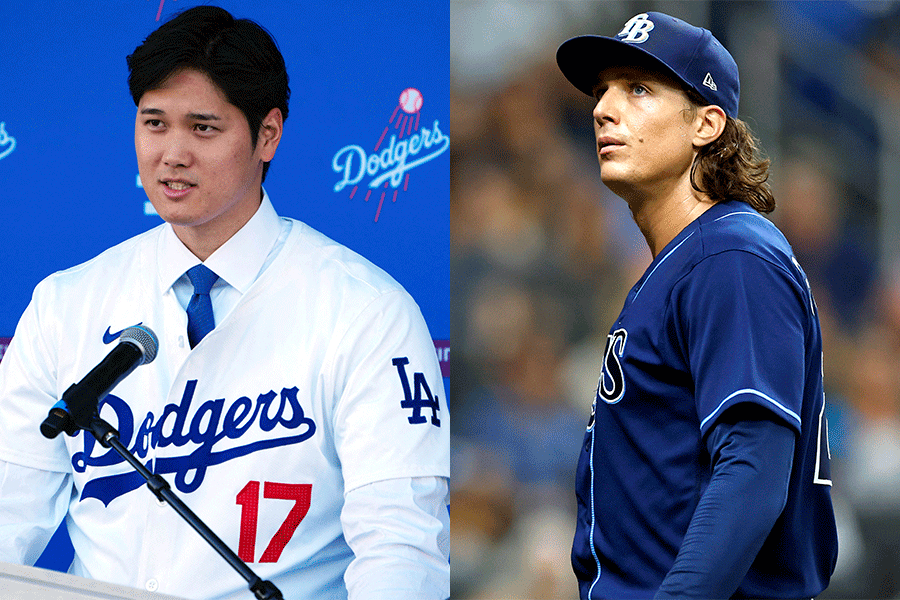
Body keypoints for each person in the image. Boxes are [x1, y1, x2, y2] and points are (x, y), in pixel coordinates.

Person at [0, 6, 449, 600]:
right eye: (154, 123)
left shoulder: (368, 311)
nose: (172, 153)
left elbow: (402, 549)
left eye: (203, 128)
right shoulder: (66, 303)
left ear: (268, 134)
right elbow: (8, 513)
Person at [555, 11, 837, 599]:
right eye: (603, 89)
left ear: (707, 124)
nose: (604, 108)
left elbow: (754, 467)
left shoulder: (729, 257)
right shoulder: (689, 260)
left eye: (637, 88)